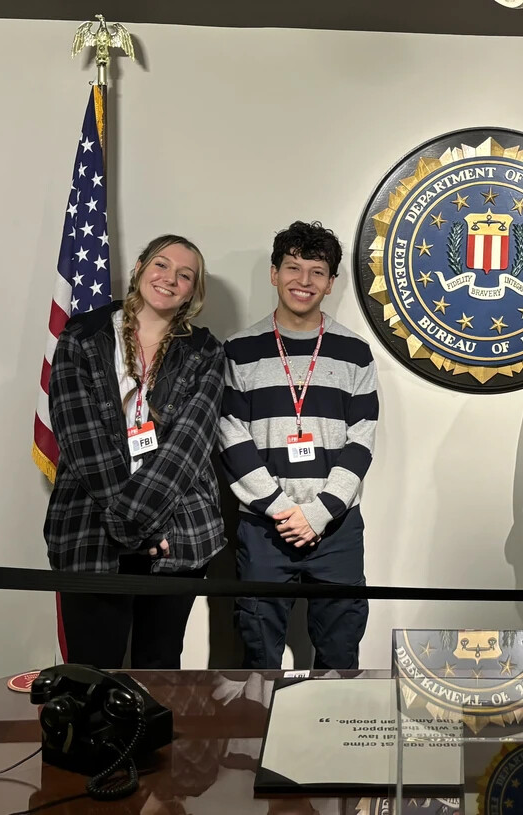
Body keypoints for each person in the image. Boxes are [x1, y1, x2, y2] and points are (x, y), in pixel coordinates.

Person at [45, 234, 225, 669]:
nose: (170, 279)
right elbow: (80, 435)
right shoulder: (81, 336)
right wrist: (137, 527)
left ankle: (153, 742)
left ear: (194, 291)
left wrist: (137, 521)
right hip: (90, 530)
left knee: (160, 667)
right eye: (161, 265)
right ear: (141, 267)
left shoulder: (205, 351)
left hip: (178, 533)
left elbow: (189, 444)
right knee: (91, 669)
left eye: (186, 275)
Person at [218, 220, 378, 670]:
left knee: (341, 648)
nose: (303, 281)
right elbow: (231, 434)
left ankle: (334, 739)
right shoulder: (239, 350)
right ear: (274, 273)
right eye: (292, 267)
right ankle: (258, 739)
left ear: (331, 282)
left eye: (316, 271)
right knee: (257, 651)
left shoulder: (355, 352)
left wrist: (319, 512)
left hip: (337, 526)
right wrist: (278, 507)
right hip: (264, 526)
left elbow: (362, 439)